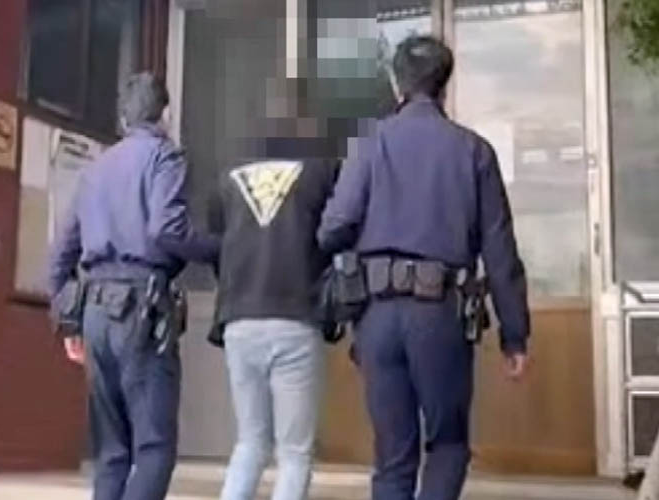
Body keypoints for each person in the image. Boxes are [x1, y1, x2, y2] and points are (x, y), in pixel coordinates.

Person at [318, 35, 530, 500]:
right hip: (440, 314)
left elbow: (333, 227)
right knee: (448, 444)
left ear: (398, 84)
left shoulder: (369, 144)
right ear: (444, 86)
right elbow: (500, 251)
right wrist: (514, 334)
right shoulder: (474, 150)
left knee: (392, 454)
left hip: (376, 314)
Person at [48, 72, 219, 500]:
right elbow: (166, 230)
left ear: (123, 119)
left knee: (111, 452)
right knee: (154, 447)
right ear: (166, 114)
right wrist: (219, 250)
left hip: (94, 313)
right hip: (141, 309)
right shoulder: (165, 156)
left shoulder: (95, 170)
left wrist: (69, 323)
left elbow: (60, 256)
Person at [207, 89, 340, 500]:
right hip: (295, 318)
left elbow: (217, 244)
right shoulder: (322, 170)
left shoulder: (229, 174)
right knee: (294, 452)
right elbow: (338, 231)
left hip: (238, 319)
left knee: (250, 443)